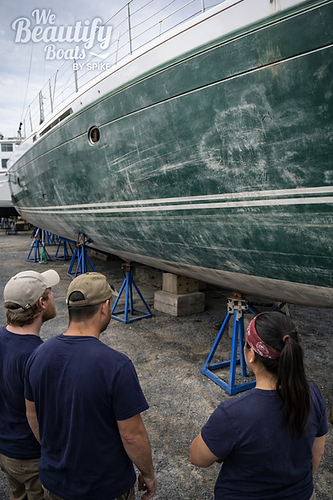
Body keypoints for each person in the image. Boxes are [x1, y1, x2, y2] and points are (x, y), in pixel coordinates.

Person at [24, 272, 157, 500]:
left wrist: (56, 453)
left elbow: (32, 415)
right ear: (105, 307)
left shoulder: (38, 355)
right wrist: (148, 473)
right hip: (106, 489)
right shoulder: (116, 365)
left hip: (54, 485)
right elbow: (132, 436)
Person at [190, 311, 328, 500]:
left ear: (252, 356)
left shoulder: (232, 414)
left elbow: (198, 458)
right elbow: (317, 452)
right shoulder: (312, 393)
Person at [0, 269, 60, 500]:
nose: (54, 296)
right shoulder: (39, 356)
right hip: (32, 458)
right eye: (50, 292)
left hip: (7, 452)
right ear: (42, 303)